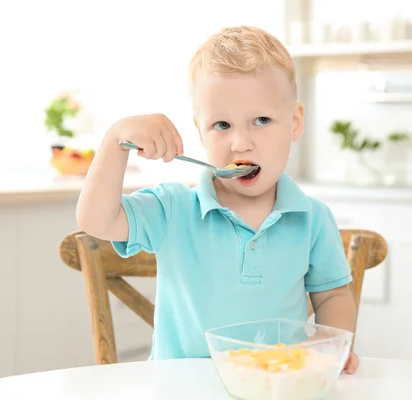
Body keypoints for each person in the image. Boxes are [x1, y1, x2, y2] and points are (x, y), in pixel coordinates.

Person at [76, 25, 359, 374]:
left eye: (261, 120)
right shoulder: (172, 208)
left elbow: (332, 296)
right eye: (222, 125)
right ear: (200, 131)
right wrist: (115, 141)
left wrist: (326, 348)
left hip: (274, 387)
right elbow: (95, 220)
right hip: (177, 389)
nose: (240, 143)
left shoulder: (313, 218)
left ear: (295, 122)